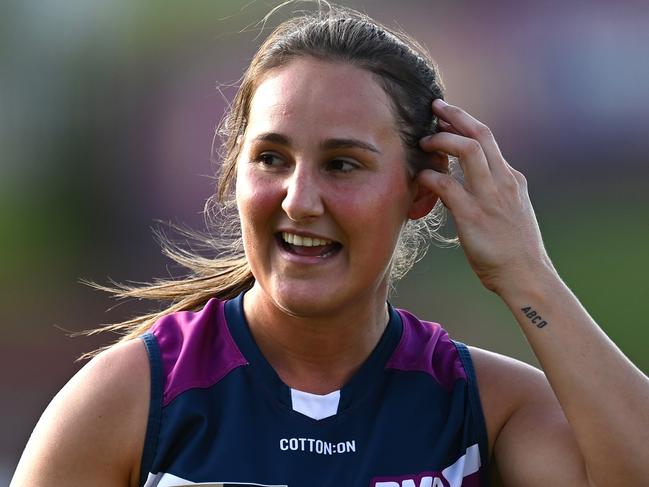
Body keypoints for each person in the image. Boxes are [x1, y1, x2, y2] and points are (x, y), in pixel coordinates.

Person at [11, 3, 649, 486]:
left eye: (342, 164)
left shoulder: (482, 408)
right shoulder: (134, 399)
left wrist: (528, 274)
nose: (298, 199)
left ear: (420, 194)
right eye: (271, 158)